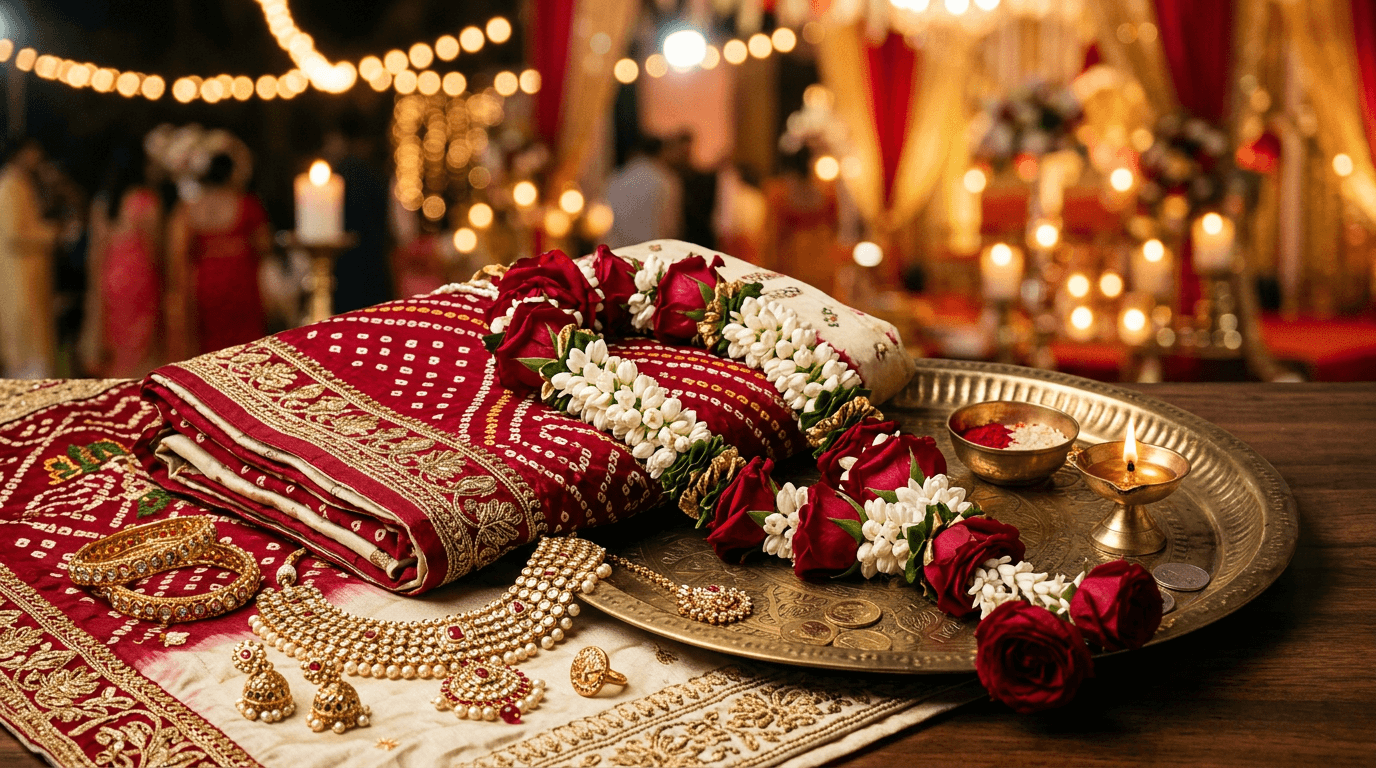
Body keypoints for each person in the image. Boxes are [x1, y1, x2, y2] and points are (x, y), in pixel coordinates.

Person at [166, 152, 271, 358]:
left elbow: (179, 252)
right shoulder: (246, 204)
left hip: (205, 281)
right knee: (243, 346)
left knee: (210, 346)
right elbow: (263, 245)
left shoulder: (190, 208)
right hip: (240, 278)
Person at [81, 147, 164, 377]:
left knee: (113, 341)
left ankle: (117, 390)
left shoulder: (104, 203)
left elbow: (96, 252)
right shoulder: (144, 200)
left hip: (111, 280)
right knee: (141, 345)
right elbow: (155, 247)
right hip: (139, 280)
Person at [322, 112, 393, 313]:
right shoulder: (377, 173)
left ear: (341, 139)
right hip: (375, 270)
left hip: (345, 272)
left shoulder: (340, 178)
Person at [0, 137, 59, 378]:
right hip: (20, 279)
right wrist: (50, 234)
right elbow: (14, 234)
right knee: (27, 353)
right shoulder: (11, 185)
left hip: (29, 275)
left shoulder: (21, 183)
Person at [762, 147, 840, 294]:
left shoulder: (778, 191)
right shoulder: (827, 189)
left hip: (793, 255)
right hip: (822, 254)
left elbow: (773, 232)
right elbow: (835, 226)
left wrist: (769, 264)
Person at [605, 135, 682, 248]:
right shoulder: (665, 180)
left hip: (617, 252)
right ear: (661, 152)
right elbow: (671, 226)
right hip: (653, 253)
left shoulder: (615, 178)